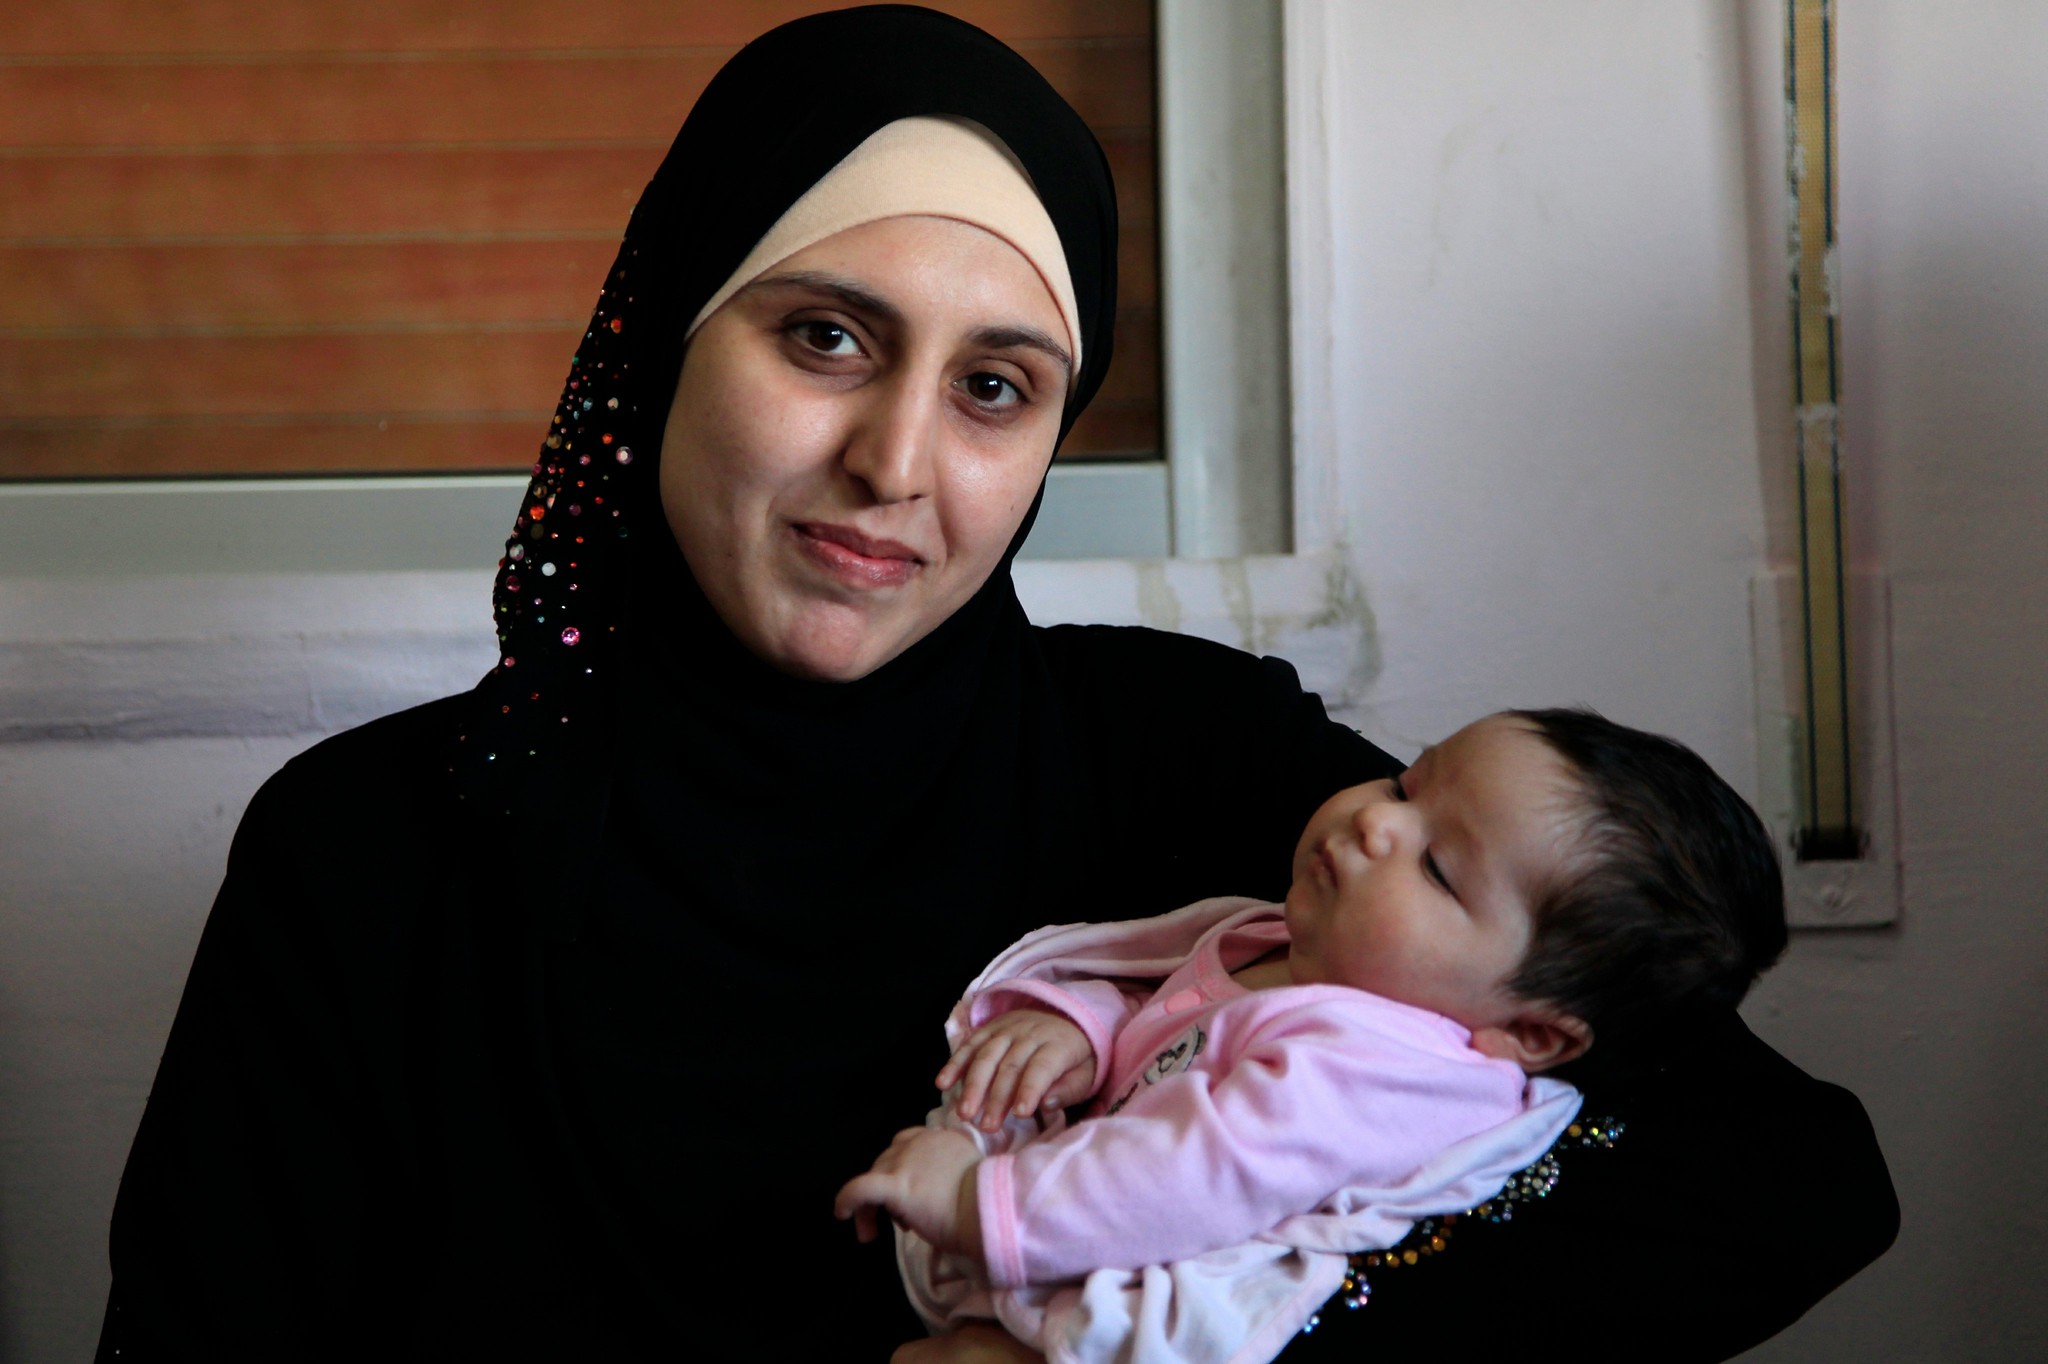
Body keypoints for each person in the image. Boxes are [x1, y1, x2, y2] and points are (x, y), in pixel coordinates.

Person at [96, 8, 1895, 1362]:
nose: (894, 459)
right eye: (823, 335)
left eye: (995, 384)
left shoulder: (1188, 759)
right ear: (658, 344)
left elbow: (1779, 1165)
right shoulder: (374, 850)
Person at [836, 709, 1789, 1364]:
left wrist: (978, 1204)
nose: (1376, 822)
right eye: (1405, 785)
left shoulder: (1382, 1068)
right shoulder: (1311, 952)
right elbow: (1176, 1016)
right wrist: (1085, 1030)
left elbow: (1198, 1168)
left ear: (1530, 1032)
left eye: (1441, 871)